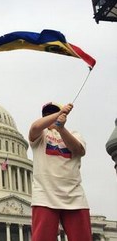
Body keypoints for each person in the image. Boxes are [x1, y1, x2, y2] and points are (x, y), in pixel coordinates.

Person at [29, 102, 91, 241]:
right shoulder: (41, 136)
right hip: (45, 196)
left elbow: (78, 150)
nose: (49, 116)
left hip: (74, 197)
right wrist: (58, 114)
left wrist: (61, 128)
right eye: (46, 115)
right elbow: (34, 127)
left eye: (53, 113)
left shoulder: (74, 134)